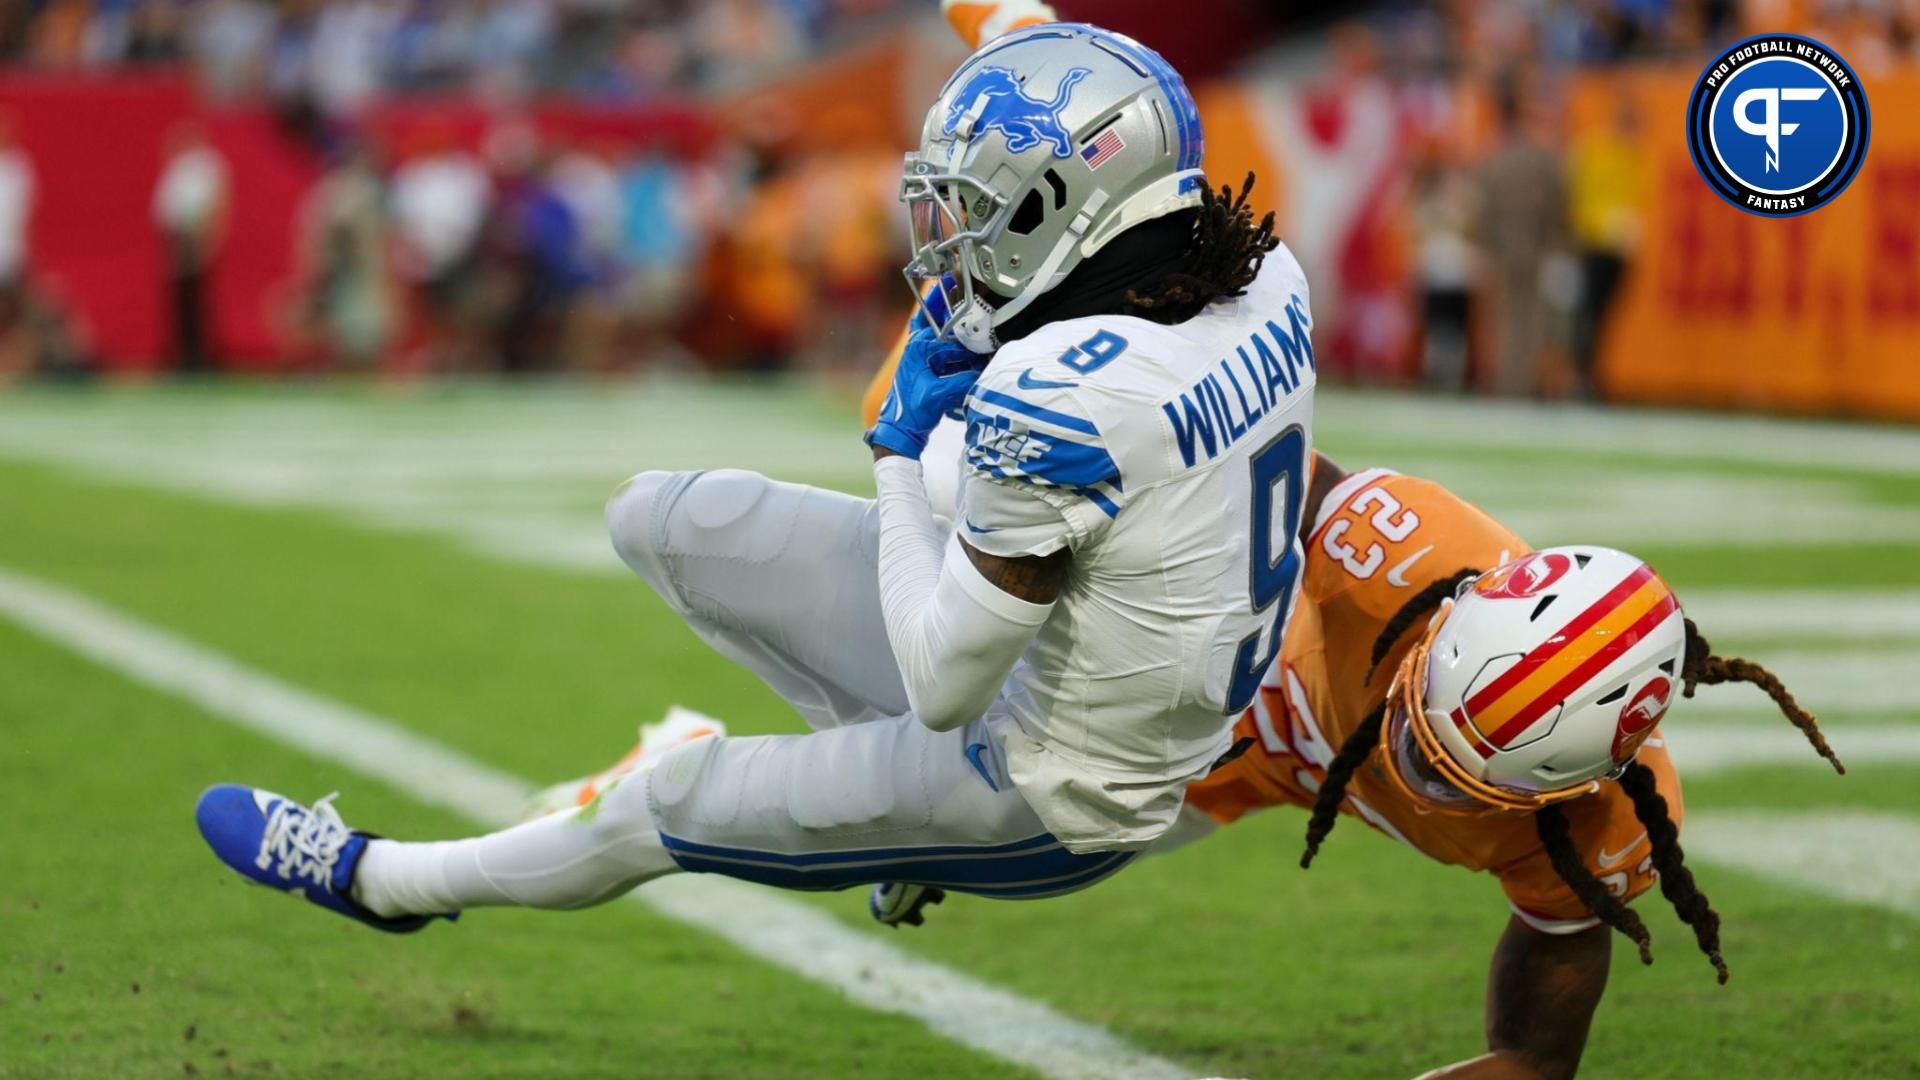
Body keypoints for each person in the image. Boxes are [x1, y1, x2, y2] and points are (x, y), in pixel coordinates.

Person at [192, 23, 1318, 928]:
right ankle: (888, 822)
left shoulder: (1070, 395)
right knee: (668, 520)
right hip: (1111, 653)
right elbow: (1045, 48)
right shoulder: (1261, 273)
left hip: (1054, 786)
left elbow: (941, 687)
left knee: (664, 800)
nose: (951, 238)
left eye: (978, 209)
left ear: (1056, 205)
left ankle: (383, 880)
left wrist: (892, 452)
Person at [153, 121, 229, 374]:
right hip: (178, 237)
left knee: (194, 298)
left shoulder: (203, 166)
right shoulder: (180, 167)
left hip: (192, 235)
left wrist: (205, 239)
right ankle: (184, 352)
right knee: (182, 299)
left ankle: (197, 354)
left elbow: (211, 205)